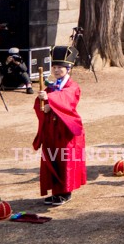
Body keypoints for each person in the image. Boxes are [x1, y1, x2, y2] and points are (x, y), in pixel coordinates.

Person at [33, 46, 87, 205]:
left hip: (66, 129)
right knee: (52, 159)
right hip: (52, 129)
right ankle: (56, 192)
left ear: (68, 69)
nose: (56, 70)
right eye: (54, 67)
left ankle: (65, 192)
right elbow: (42, 105)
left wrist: (50, 100)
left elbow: (67, 99)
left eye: (60, 68)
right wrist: (43, 100)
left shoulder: (72, 86)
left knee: (65, 161)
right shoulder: (51, 86)